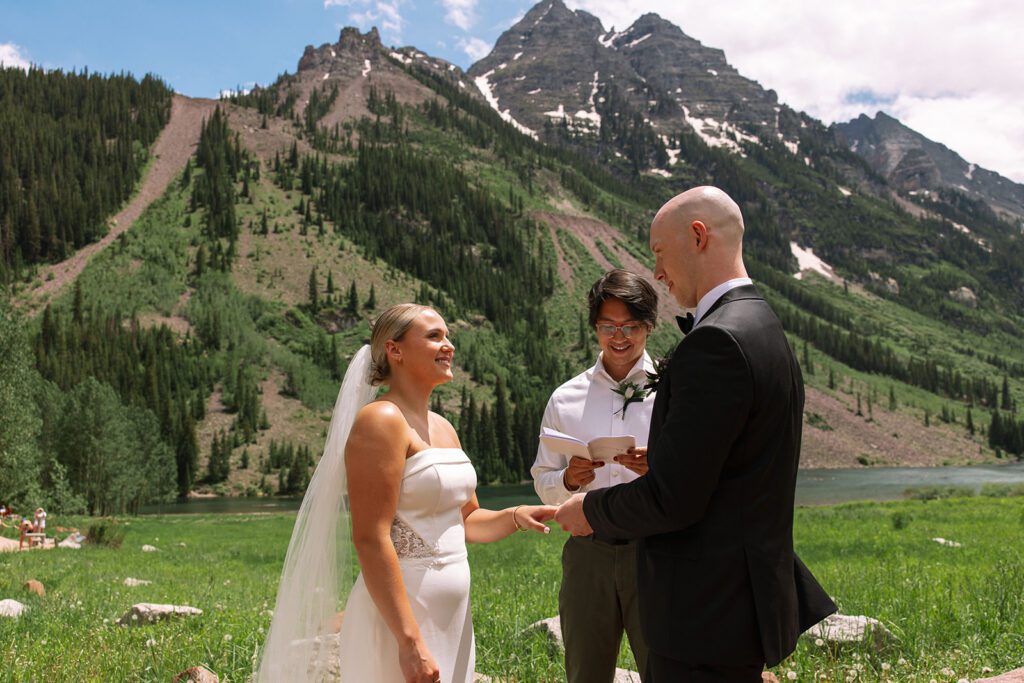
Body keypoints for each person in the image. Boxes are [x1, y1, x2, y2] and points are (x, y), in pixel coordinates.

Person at [555, 186, 836, 681]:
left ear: (699, 236)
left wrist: (590, 510)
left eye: (659, 253)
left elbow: (674, 500)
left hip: (703, 613)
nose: (657, 272)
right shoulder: (764, 324)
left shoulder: (715, 342)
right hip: (739, 603)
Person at [257, 303, 556, 683]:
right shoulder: (380, 421)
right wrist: (409, 642)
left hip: (453, 618)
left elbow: (467, 520)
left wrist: (516, 516)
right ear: (394, 351)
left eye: (447, 335)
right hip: (401, 623)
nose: (449, 345)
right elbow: (370, 537)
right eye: (434, 336)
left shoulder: (443, 427)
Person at [531, 269, 657, 681]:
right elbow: (544, 483)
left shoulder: (674, 390)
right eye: (608, 326)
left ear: (649, 326)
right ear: (595, 329)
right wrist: (569, 480)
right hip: (588, 552)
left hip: (657, 550)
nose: (619, 336)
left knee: (666, 667)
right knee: (586, 670)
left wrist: (657, 467)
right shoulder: (566, 398)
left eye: (630, 326)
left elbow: (699, 474)